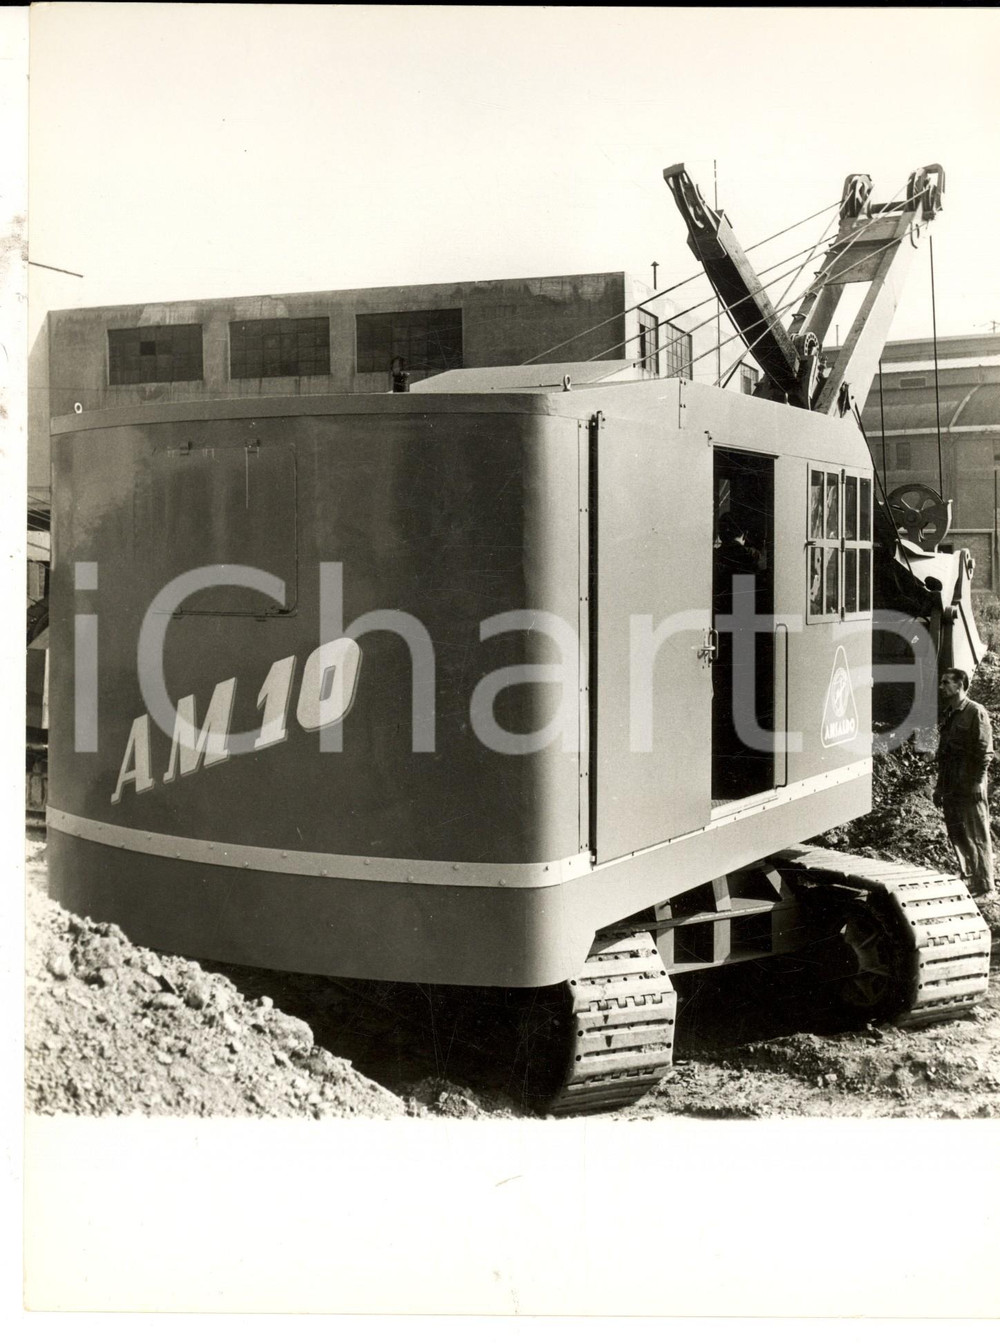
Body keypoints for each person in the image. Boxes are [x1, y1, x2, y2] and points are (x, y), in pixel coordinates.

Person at [934, 667, 995, 898]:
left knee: (976, 835)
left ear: (959, 686)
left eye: (946, 682)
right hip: (951, 787)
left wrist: (979, 783)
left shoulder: (975, 712)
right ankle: (969, 878)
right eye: (941, 682)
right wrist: (940, 787)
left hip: (969, 787)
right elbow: (945, 755)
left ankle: (987, 886)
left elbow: (984, 752)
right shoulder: (951, 714)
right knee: (957, 834)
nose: (941, 687)